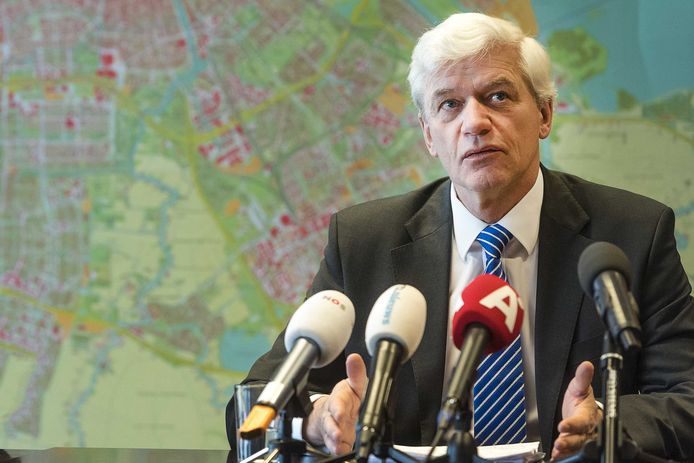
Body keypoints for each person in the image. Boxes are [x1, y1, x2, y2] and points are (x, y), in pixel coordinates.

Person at [226, 12, 694, 460]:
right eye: (449, 104)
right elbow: (251, 408)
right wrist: (314, 419)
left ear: (545, 114)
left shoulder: (632, 234)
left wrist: (606, 422)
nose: (474, 123)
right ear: (429, 135)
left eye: (498, 96)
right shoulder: (364, 242)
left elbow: (687, 397)